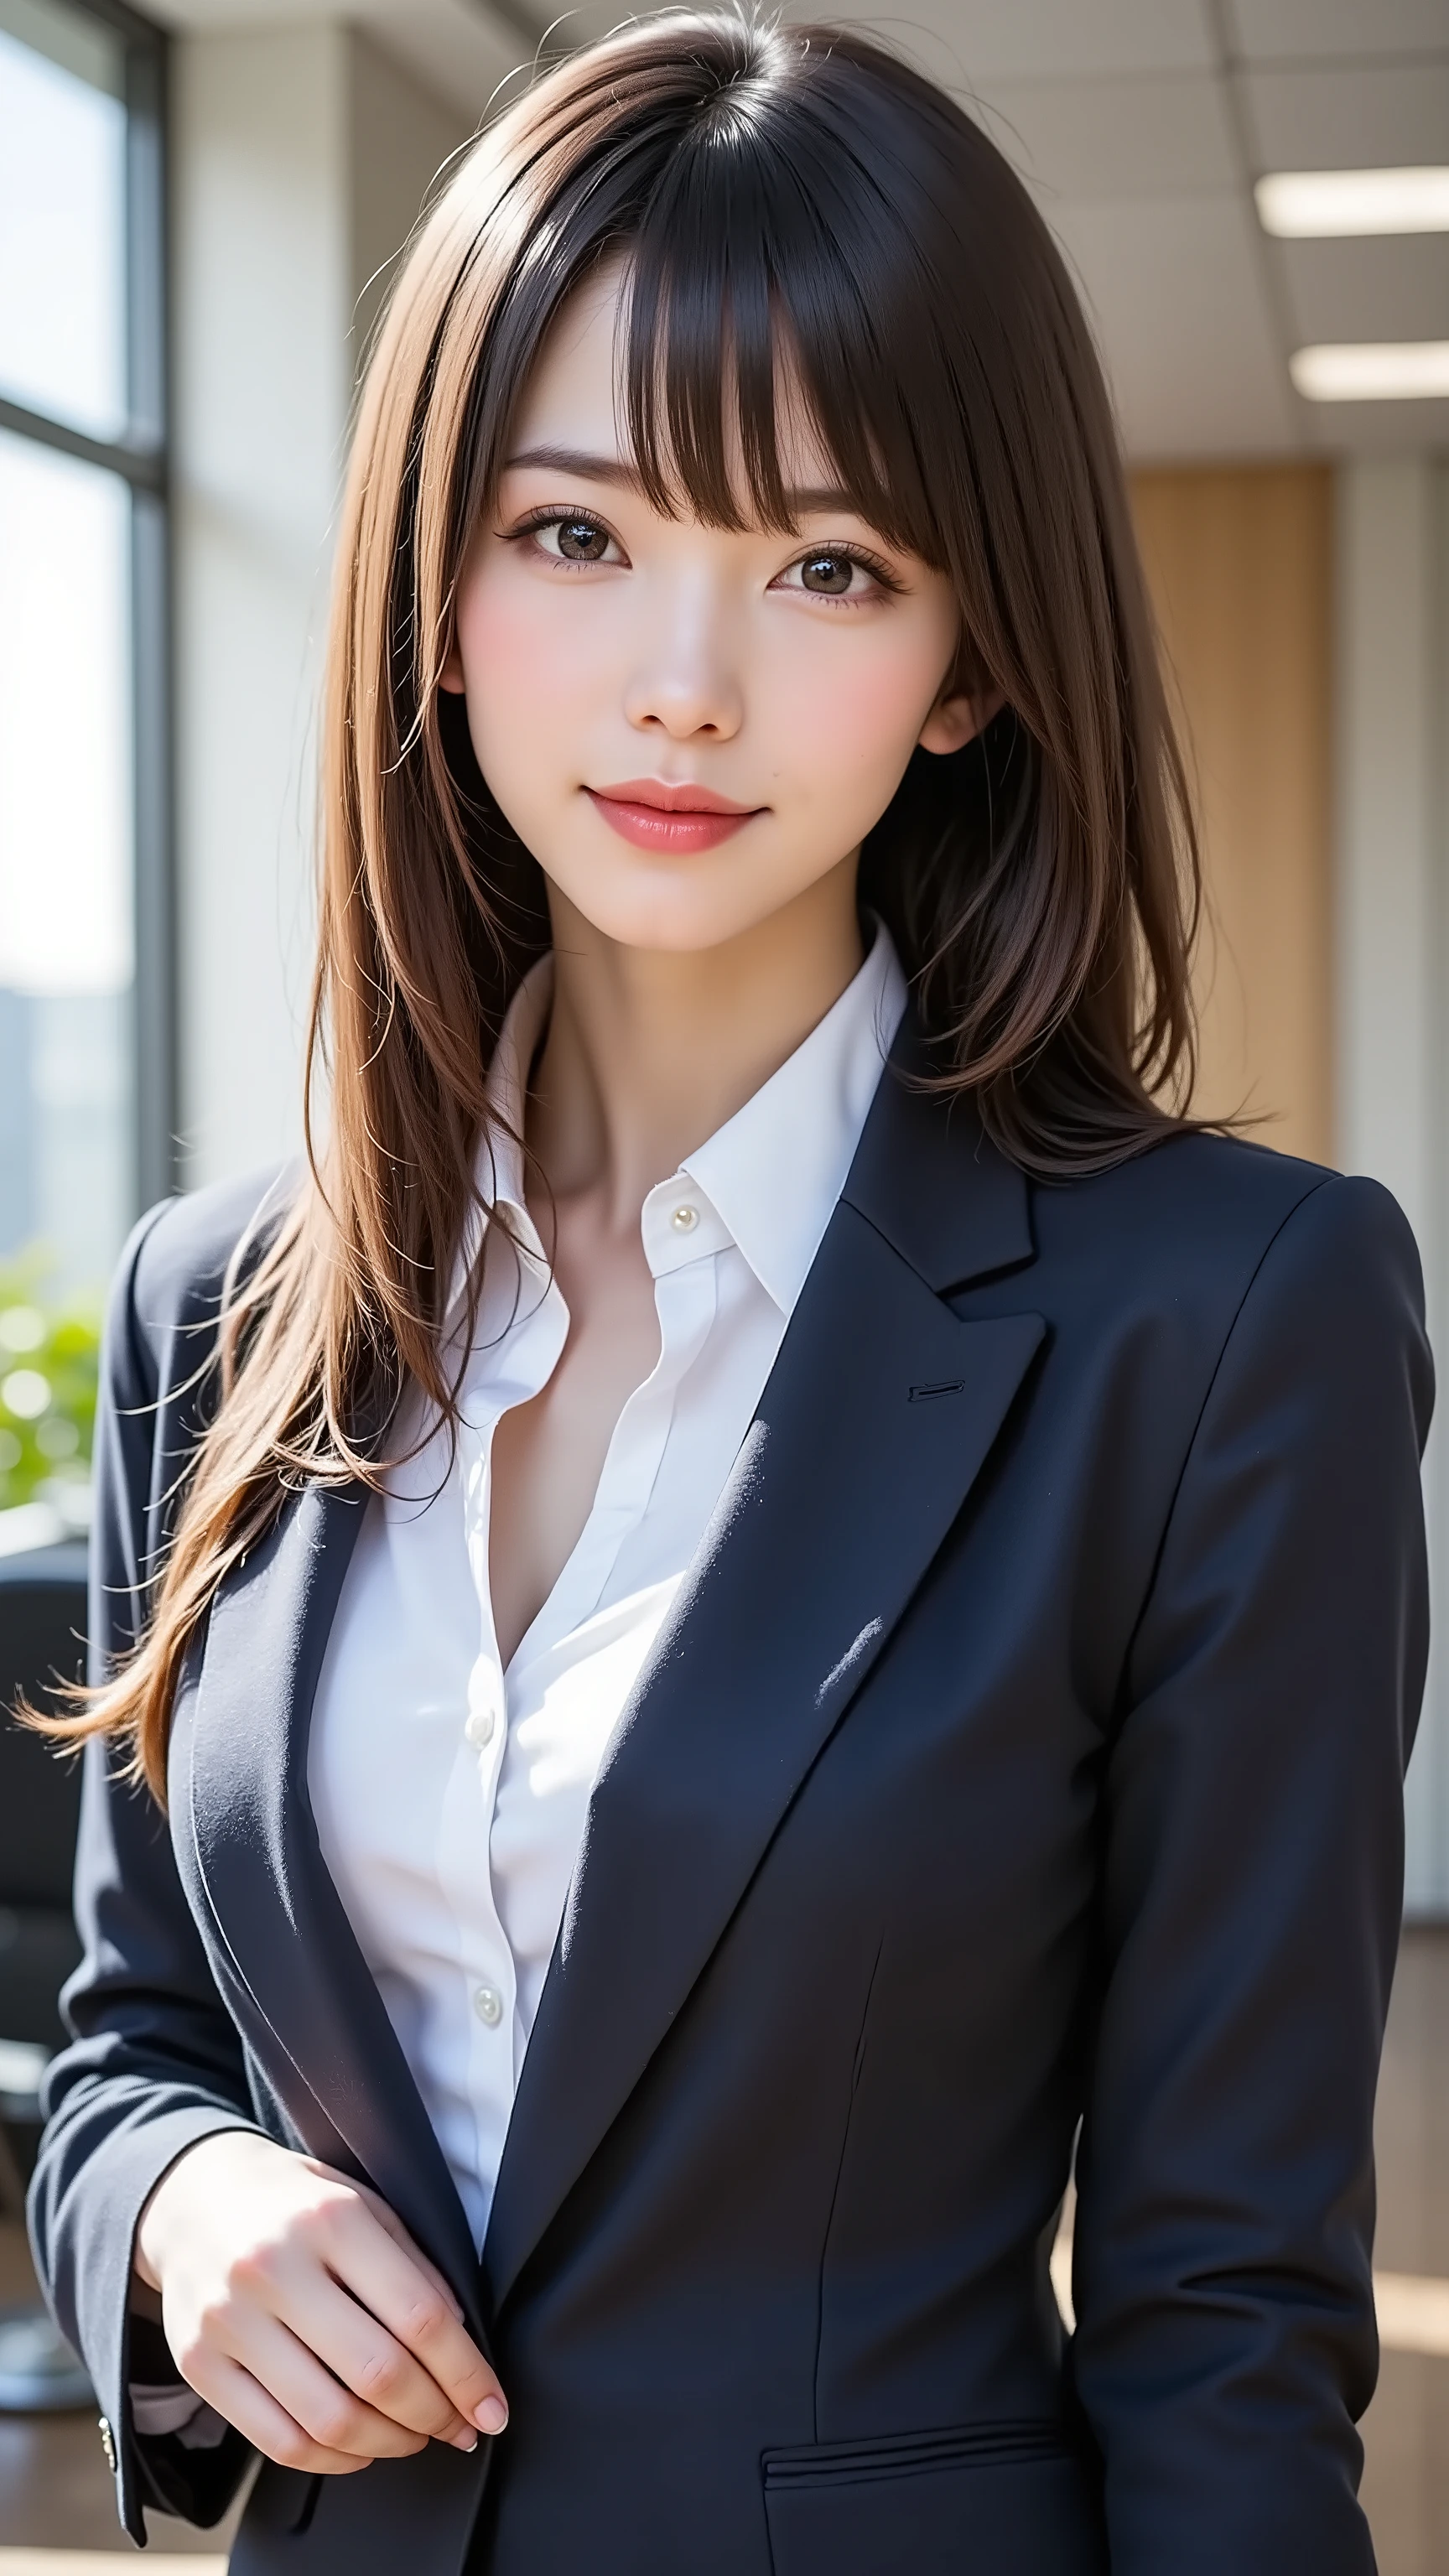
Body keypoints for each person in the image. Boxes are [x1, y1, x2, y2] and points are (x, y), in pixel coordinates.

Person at [28, 16, 1431, 2574]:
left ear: (972, 661)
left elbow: (1230, 2319)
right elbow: (137, 2042)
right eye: (576, 536)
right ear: (434, 593)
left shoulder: (1225, 1323)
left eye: (829, 566)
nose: (690, 678)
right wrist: (167, 2213)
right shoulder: (216, 1301)